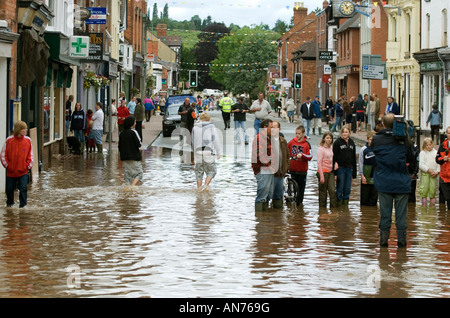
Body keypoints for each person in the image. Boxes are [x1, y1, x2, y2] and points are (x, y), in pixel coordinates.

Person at [372, 113, 414, 248]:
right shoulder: (404, 140)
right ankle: (402, 247)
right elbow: (411, 159)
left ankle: (383, 245)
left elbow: (374, 157)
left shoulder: (377, 140)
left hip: (384, 183)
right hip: (401, 182)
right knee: (401, 218)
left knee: (385, 216)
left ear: (383, 124)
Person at [1, 121, 34, 208]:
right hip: (11, 171)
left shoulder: (28, 140)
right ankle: (10, 205)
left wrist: (28, 166)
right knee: (9, 189)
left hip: (23, 171)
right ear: (19, 130)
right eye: (24, 129)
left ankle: (23, 207)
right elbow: (3, 154)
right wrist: (8, 166)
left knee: (23, 188)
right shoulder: (9, 140)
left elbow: (31, 155)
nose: (26, 130)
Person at [192, 112, 222, 192]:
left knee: (199, 173)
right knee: (212, 171)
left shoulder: (195, 127)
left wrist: (194, 155)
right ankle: (205, 186)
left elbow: (193, 141)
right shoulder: (211, 126)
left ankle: (199, 189)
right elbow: (215, 140)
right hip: (208, 152)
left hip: (198, 152)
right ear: (208, 119)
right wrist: (218, 152)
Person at [251, 119, 275, 211]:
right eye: (271, 127)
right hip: (262, 170)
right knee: (262, 195)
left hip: (268, 169)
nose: (273, 129)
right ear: (265, 127)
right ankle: (260, 218)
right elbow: (260, 156)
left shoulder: (268, 138)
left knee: (268, 194)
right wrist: (271, 165)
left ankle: (264, 218)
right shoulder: (259, 139)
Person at [288, 125, 313, 206]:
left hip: (302, 171)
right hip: (292, 169)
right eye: (296, 133)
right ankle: (291, 202)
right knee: (292, 189)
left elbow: (310, 156)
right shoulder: (291, 142)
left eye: (299, 133)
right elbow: (286, 153)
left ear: (303, 133)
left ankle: (299, 205)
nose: (297, 135)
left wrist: (302, 155)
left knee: (301, 190)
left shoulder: (307, 144)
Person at [333, 127, 357, 206]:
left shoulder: (352, 142)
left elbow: (353, 157)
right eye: (343, 132)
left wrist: (354, 172)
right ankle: (339, 206)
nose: (344, 134)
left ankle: (346, 206)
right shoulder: (337, 142)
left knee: (347, 189)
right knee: (340, 188)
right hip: (341, 169)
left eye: (346, 132)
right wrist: (335, 173)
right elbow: (334, 157)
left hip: (349, 168)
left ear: (349, 133)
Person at [118, 116, 143, 186]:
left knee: (127, 177)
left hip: (125, 158)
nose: (135, 123)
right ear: (131, 123)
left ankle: (128, 192)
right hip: (134, 157)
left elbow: (119, 146)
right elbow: (139, 144)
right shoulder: (134, 132)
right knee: (139, 174)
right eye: (134, 122)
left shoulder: (121, 133)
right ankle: (132, 187)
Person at [271, 121, 290, 209]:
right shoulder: (267, 141)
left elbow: (287, 155)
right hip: (271, 173)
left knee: (278, 195)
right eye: (272, 127)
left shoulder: (283, 141)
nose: (273, 130)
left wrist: (286, 167)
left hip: (280, 172)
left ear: (279, 129)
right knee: (268, 194)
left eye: (275, 128)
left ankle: (278, 216)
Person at [317, 132, 338, 208]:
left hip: (331, 171)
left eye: (330, 138)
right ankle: (322, 210)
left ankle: (333, 209)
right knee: (323, 192)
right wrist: (321, 176)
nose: (329, 140)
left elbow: (335, 158)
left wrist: (336, 164)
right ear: (324, 139)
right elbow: (319, 163)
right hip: (323, 171)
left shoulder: (332, 148)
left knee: (332, 190)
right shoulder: (321, 149)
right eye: (327, 138)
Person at [358, 131, 378, 206]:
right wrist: (362, 175)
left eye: (373, 140)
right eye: (370, 139)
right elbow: (360, 163)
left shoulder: (378, 149)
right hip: (366, 176)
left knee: (374, 200)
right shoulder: (363, 149)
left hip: (375, 176)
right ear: (367, 139)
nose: (372, 141)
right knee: (364, 200)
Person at [419, 137, 439, 206]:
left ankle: (432, 208)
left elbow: (438, 163)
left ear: (432, 144)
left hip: (434, 174)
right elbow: (421, 164)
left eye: (430, 145)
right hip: (425, 174)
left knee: (433, 191)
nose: (428, 147)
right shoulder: (422, 153)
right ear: (424, 146)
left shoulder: (436, 153)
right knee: (424, 191)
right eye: (427, 145)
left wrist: (437, 172)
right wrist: (429, 170)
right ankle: (423, 207)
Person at [436, 127, 450, 210]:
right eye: (448, 133)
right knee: (447, 199)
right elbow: (437, 159)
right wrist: (442, 159)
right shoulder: (442, 145)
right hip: (444, 177)